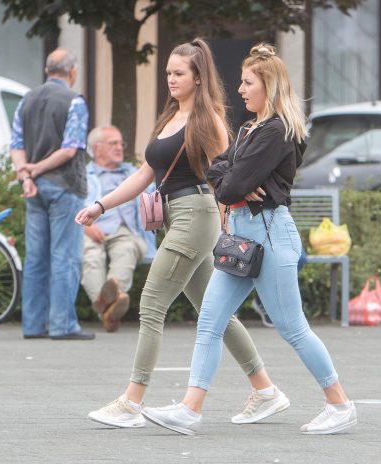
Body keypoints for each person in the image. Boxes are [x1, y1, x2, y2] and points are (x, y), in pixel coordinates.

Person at [141, 43, 357, 435]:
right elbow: (218, 170)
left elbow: (229, 184)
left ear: (268, 86)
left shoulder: (276, 131)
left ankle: (340, 404)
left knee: (292, 327)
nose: (240, 89)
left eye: (247, 82)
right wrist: (231, 177)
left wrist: (232, 178)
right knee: (209, 321)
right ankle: (190, 409)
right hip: (242, 236)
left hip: (270, 235)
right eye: (241, 82)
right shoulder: (248, 129)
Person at [75, 38, 289, 429]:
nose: (171, 80)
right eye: (168, 73)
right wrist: (101, 205)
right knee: (214, 312)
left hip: (196, 215)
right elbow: (145, 174)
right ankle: (266, 390)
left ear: (198, 77)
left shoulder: (208, 121)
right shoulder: (170, 116)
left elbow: (232, 172)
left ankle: (131, 402)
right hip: (173, 217)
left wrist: (234, 218)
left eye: (179, 74)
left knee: (151, 303)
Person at [10, 47, 94, 340]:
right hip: (64, 186)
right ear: (73, 72)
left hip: (34, 190)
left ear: (47, 70)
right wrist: (36, 169)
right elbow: (70, 149)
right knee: (65, 256)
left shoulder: (26, 100)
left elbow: (16, 145)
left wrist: (26, 175)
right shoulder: (74, 101)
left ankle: (33, 325)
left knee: (35, 258)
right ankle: (63, 325)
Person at [82, 125, 153, 332]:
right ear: (96, 148)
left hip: (124, 230)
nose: (119, 148)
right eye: (113, 143)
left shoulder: (134, 173)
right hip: (90, 228)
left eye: (121, 143)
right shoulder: (83, 175)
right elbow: (71, 206)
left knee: (127, 248)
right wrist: (85, 228)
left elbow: (154, 192)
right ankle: (110, 308)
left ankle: (105, 308)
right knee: (91, 257)